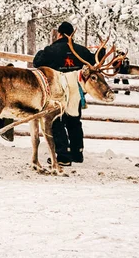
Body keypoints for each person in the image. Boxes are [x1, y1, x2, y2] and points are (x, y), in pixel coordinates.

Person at [32, 21, 95, 166]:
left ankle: (63, 156)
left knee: (57, 122)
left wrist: (41, 52)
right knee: (74, 121)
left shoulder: (51, 50)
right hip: (76, 92)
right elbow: (92, 62)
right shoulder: (81, 51)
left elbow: (37, 62)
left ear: (59, 34)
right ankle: (77, 153)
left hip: (58, 91)